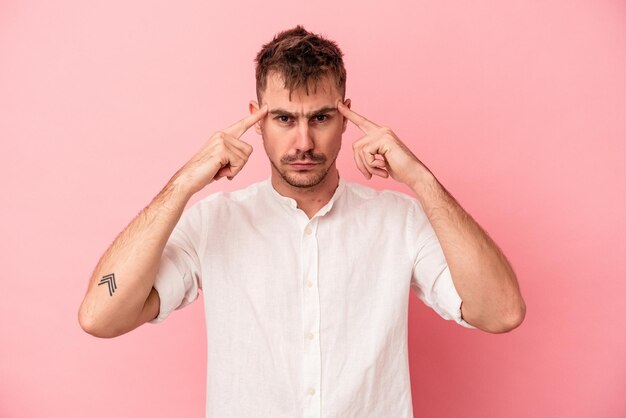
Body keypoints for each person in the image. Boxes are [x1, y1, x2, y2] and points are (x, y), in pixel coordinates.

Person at [79, 26, 525, 417]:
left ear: (346, 114)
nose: (303, 141)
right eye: (284, 118)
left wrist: (422, 180)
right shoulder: (213, 222)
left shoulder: (399, 222)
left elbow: (501, 313)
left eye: (321, 118)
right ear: (256, 118)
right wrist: (182, 185)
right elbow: (101, 315)